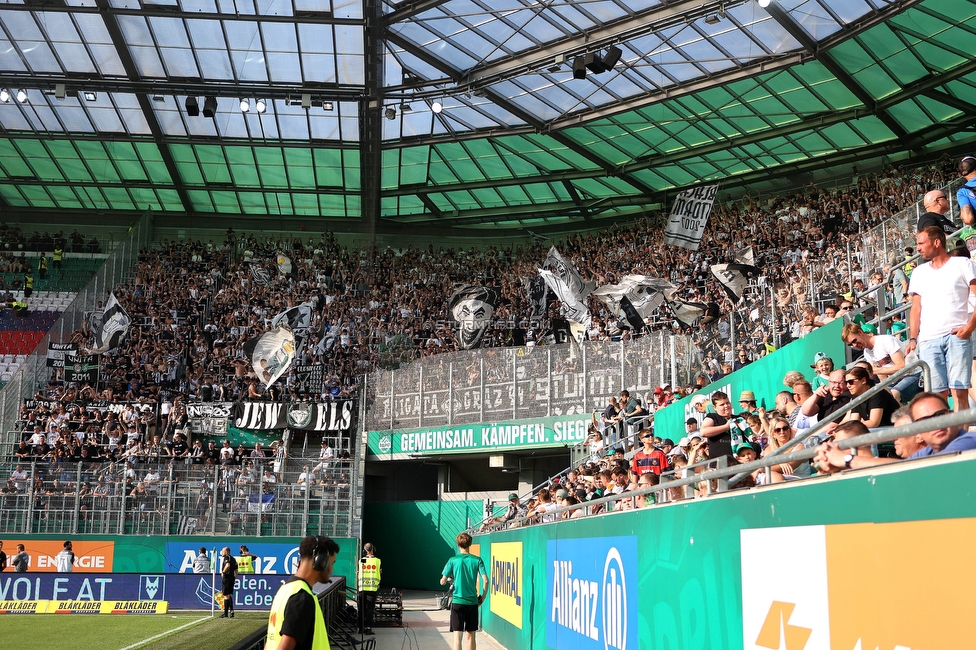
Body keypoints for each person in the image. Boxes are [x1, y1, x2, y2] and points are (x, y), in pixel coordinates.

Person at [905, 226, 976, 412]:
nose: (917, 248)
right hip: (928, 340)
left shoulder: (962, 264)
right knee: (936, 395)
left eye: (921, 243)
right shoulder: (919, 272)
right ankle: (943, 439)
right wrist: (913, 338)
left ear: (936, 242)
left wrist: (969, 327)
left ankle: (960, 439)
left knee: (959, 391)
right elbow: (915, 308)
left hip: (957, 335)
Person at [265, 535, 340, 650]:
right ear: (321, 561)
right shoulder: (302, 597)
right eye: (332, 563)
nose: (332, 569)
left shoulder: (286, 590)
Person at [843, 322, 921, 403]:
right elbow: (881, 376)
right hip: (895, 380)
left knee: (893, 396)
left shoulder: (885, 340)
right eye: (851, 344)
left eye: (854, 340)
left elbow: (902, 366)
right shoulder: (867, 352)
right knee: (879, 399)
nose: (854, 345)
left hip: (912, 374)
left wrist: (875, 370)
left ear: (860, 332)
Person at [440, 532, 488, 650]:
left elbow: (442, 581)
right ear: (470, 544)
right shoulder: (477, 560)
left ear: (458, 544)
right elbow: (486, 581)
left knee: (457, 637)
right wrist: (483, 597)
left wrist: (450, 579)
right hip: (472, 603)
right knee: (471, 636)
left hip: (457, 603)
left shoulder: (453, 560)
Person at [358, 542, 381, 635]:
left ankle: (360, 628)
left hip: (362, 587)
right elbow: (378, 573)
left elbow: (359, 573)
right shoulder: (377, 561)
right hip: (372, 588)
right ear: (373, 549)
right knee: (370, 609)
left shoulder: (361, 560)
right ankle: (368, 628)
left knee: (361, 609)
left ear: (365, 551)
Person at [220, 546, 239, 618]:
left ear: (226, 552)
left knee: (226, 595)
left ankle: (225, 614)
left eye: (223, 551)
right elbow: (236, 570)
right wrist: (234, 577)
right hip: (231, 578)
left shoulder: (227, 557)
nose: (222, 552)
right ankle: (231, 610)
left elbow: (228, 565)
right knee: (228, 594)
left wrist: (223, 572)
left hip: (227, 578)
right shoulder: (233, 559)